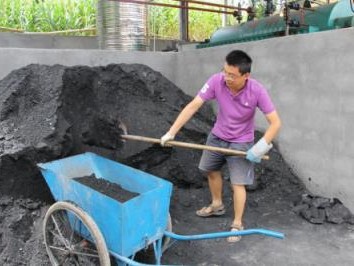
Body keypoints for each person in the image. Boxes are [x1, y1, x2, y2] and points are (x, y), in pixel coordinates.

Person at [160, 50, 281, 242]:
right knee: (209, 169)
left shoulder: (257, 90)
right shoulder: (217, 81)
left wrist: (260, 146)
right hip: (217, 136)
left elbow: (275, 123)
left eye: (232, 75)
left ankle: (237, 224)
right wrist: (171, 132)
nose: (227, 78)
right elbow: (194, 105)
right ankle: (217, 204)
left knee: (238, 183)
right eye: (225, 72)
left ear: (246, 76)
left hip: (241, 140)